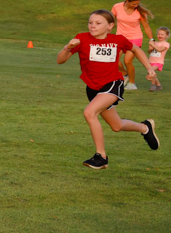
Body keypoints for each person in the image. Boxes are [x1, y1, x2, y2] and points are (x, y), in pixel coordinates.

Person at [56, 9, 159, 169]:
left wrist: (149, 68)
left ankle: (101, 156)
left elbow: (136, 49)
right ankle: (145, 127)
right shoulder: (81, 38)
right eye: (90, 22)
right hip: (92, 88)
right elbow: (60, 61)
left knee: (89, 112)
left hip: (112, 84)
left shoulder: (117, 40)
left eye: (98, 23)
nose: (92, 26)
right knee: (116, 126)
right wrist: (67, 47)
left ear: (110, 26)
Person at [110, 0, 154, 91]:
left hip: (135, 38)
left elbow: (146, 27)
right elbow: (110, 21)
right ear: (127, 1)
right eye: (134, 4)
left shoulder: (140, 12)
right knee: (113, 59)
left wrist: (151, 40)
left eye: (137, 4)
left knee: (127, 60)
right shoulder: (117, 7)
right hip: (120, 38)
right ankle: (124, 74)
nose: (136, 6)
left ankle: (132, 83)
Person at [147, 27, 171, 91]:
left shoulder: (166, 44)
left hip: (158, 62)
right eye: (158, 34)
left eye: (162, 34)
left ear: (167, 36)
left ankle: (153, 85)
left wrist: (153, 44)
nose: (159, 35)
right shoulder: (155, 43)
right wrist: (150, 47)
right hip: (151, 61)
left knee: (151, 72)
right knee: (152, 73)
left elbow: (159, 49)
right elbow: (149, 51)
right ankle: (158, 85)